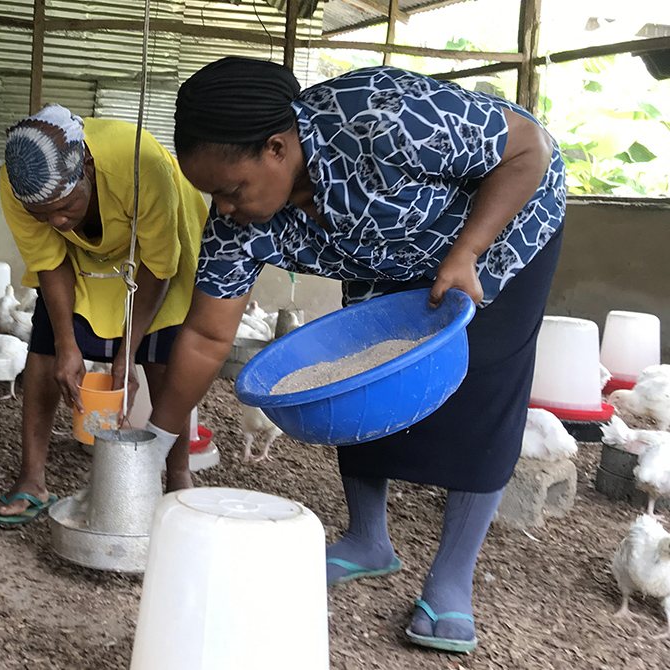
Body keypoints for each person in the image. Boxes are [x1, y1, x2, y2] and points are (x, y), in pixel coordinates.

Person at [143, 57, 565, 653]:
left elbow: (529, 150)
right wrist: (156, 441)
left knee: (482, 386)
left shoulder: (381, 117)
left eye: (230, 190)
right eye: (212, 195)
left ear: (276, 148)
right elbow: (207, 337)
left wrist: (468, 249)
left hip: (502, 229)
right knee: (357, 375)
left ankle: (450, 578)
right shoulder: (234, 226)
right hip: (392, 258)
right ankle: (369, 540)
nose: (225, 208)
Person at [0, 104, 208, 527]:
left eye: (66, 206)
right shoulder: (18, 185)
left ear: (86, 165)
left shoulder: (143, 169)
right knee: (46, 353)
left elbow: (160, 266)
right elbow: (49, 261)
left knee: (166, 361)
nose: (56, 220)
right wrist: (68, 345)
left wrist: (128, 352)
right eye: (43, 215)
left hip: (155, 254)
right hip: (83, 260)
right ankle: (32, 479)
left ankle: (178, 480)